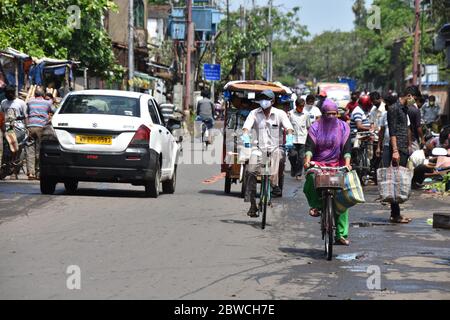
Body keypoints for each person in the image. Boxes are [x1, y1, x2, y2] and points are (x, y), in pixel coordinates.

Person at [303, 99, 352, 246]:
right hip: (318, 164)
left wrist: (348, 164)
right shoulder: (315, 127)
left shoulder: (344, 127)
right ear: (323, 114)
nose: (331, 117)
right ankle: (315, 206)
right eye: (327, 114)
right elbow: (309, 147)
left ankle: (341, 234)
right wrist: (307, 160)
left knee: (342, 198)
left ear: (337, 114)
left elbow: (347, 149)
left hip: (337, 165)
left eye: (334, 114)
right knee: (311, 178)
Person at [241, 89, 294, 217]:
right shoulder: (254, 113)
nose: (264, 101)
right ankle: (252, 204)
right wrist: (246, 136)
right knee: (250, 171)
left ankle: (274, 185)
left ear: (273, 101)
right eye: (262, 98)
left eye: (267, 99)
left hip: (276, 148)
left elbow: (289, 128)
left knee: (278, 156)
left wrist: (290, 137)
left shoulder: (280, 114)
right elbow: (246, 127)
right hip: (258, 149)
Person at [386, 89, 413, 223]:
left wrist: (408, 146)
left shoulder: (404, 109)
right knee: (396, 181)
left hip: (403, 149)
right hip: (397, 149)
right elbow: (392, 132)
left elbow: (405, 129)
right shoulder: (393, 109)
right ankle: (395, 214)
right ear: (408, 96)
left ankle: (396, 213)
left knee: (399, 180)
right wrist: (395, 151)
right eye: (413, 98)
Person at [25, 88, 55, 180]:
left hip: (30, 127)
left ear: (34, 94)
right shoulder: (48, 103)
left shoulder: (29, 102)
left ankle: (31, 173)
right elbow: (55, 111)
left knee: (30, 150)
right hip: (41, 127)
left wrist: (27, 126)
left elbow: (26, 114)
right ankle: (38, 173)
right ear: (43, 95)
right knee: (40, 150)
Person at [0, 85, 27, 179]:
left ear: (12, 93)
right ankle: (5, 169)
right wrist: (2, 127)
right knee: (7, 149)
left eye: (8, 93)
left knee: (15, 149)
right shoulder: (3, 103)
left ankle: (13, 172)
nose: (7, 95)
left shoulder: (21, 103)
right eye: (6, 93)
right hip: (6, 129)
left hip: (18, 129)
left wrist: (27, 129)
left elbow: (25, 116)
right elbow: (2, 116)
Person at [288, 98, 311, 180]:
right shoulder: (290, 114)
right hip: (292, 139)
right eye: (300, 107)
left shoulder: (306, 114)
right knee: (292, 155)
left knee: (301, 158)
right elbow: (287, 126)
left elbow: (308, 126)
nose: (301, 108)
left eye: (302, 107)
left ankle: (298, 173)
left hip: (303, 139)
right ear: (296, 106)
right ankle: (294, 169)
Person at [405, 86, 425, 153]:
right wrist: (422, 138)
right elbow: (418, 127)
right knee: (416, 158)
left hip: (401, 139)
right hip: (413, 140)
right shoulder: (415, 110)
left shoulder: (403, 108)